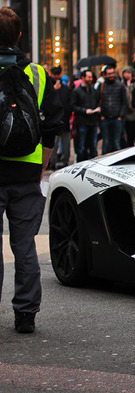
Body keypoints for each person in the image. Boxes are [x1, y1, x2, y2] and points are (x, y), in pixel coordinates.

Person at [0, 7, 63, 333]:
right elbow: (53, 124)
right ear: (20, 35)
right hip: (26, 171)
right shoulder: (38, 73)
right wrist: (41, 165)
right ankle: (25, 314)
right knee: (24, 247)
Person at [97, 64, 127, 154]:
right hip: (105, 118)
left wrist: (120, 115)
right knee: (105, 143)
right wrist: (101, 115)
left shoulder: (120, 85)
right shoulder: (101, 86)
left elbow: (124, 102)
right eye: (109, 74)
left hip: (116, 118)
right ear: (105, 75)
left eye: (112, 73)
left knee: (116, 143)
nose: (111, 75)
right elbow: (97, 101)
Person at [71, 69, 100, 160]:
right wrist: (85, 111)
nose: (91, 79)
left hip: (93, 122)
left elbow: (97, 101)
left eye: (91, 77)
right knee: (81, 147)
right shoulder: (76, 91)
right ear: (83, 78)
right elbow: (73, 106)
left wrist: (98, 108)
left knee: (93, 146)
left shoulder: (93, 90)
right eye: (89, 77)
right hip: (82, 122)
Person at [49, 66, 72, 168]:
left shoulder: (65, 89)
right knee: (57, 142)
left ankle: (57, 161)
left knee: (60, 142)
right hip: (59, 119)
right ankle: (55, 161)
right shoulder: (52, 88)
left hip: (60, 119)